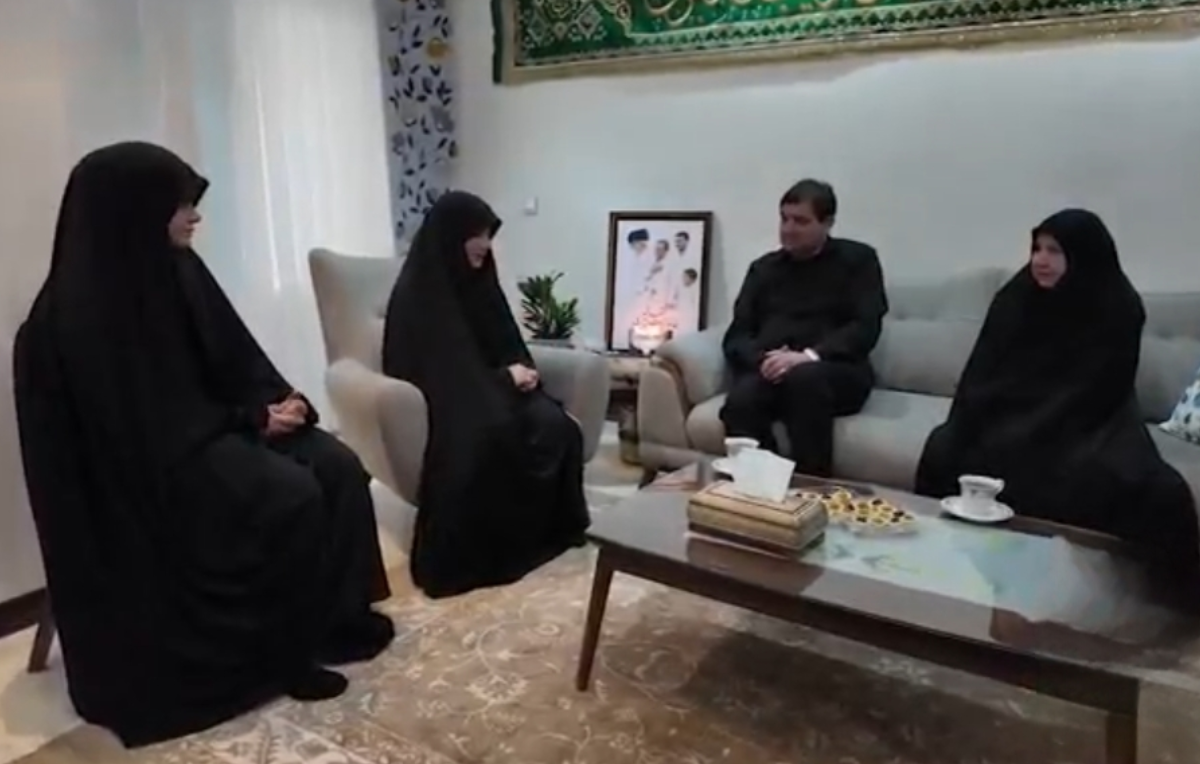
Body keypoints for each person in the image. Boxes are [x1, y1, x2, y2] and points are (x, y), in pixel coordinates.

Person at [13, 142, 394, 747]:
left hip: (211, 432)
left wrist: (283, 399)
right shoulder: (69, 318)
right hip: (153, 471)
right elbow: (139, 424)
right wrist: (250, 421)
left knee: (338, 466)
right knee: (289, 495)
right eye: (180, 204)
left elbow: (235, 358)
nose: (194, 216)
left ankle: (334, 623)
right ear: (134, 210)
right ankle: (285, 655)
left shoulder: (179, 268)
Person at [915, 209, 1200, 576]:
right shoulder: (1016, 297)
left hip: (1086, 421)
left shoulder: (1117, 305)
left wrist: (1032, 429)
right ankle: (931, 561)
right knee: (943, 447)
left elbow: (1098, 389)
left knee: (1155, 491)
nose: (1040, 260)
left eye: (1054, 251)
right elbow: (980, 374)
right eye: (1037, 248)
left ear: (1083, 255)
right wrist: (987, 419)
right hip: (1006, 412)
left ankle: (1155, 600)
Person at [381, 191, 590, 598]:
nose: (485, 244)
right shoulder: (419, 294)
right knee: (488, 439)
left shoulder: (479, 283)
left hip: (491, 389)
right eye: (476, 234)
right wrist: (504, 380)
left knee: (557, 426)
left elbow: (506, 340)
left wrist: (522, 371)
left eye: (488, 234)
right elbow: (438, 370)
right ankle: (494, 552)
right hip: (450, 401)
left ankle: (549, 534)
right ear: (451, 236)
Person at [720, 179, 887, 476]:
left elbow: (865, 327)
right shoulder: (763, 269)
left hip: (835, 370)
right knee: (740, 402)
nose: (788, 229)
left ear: (828, 223)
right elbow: (737, 336)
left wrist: (807, 357)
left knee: (804, 380)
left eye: (800, 221)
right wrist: (765, 360)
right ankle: (765, 483)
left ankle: (813, 486)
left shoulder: (858, 261)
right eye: (784, 219)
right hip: (773, 371)